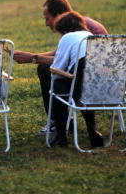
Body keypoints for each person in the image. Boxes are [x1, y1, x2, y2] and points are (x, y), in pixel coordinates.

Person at [13, 0, 108, 137]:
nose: (46, 23)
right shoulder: (80, 24)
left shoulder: (76, 29)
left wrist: (33, 58)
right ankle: (77, 125)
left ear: (59, 16)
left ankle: (57, 124)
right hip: (111, 82)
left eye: (47, 18)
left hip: (88, 83)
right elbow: (61, 53)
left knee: (46, 71)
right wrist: (31, 55)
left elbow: (60, 63)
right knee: (45, 68)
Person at [37, 11, 103, 147]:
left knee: (57, 85)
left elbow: (57, 69)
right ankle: (92, 129)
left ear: (64, 30)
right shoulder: (90, 36)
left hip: (80, 86)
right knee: (85, 87)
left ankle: (61, 136)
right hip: (101, 86)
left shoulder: (67, 37)